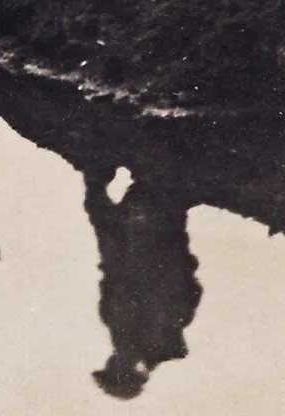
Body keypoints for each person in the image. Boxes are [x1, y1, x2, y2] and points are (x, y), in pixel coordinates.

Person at [83, 162, 202, 399]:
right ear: (128, 370)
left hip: (126, 256)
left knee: (98, 204)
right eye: (114, 368)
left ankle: (99, 164)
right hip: (146, 252)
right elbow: (180, 291)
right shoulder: (154, 339)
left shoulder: (127, 339)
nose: (112, 361)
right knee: (144, 199)